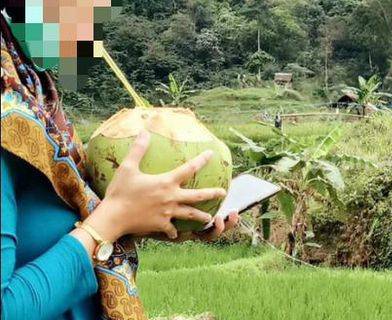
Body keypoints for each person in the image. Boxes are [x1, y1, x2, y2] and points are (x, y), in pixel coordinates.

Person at [1, 2, 240, 319]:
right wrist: (111, 221)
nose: (99, 10)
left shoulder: (29, 84)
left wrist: (166, 215)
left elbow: (52, 221)